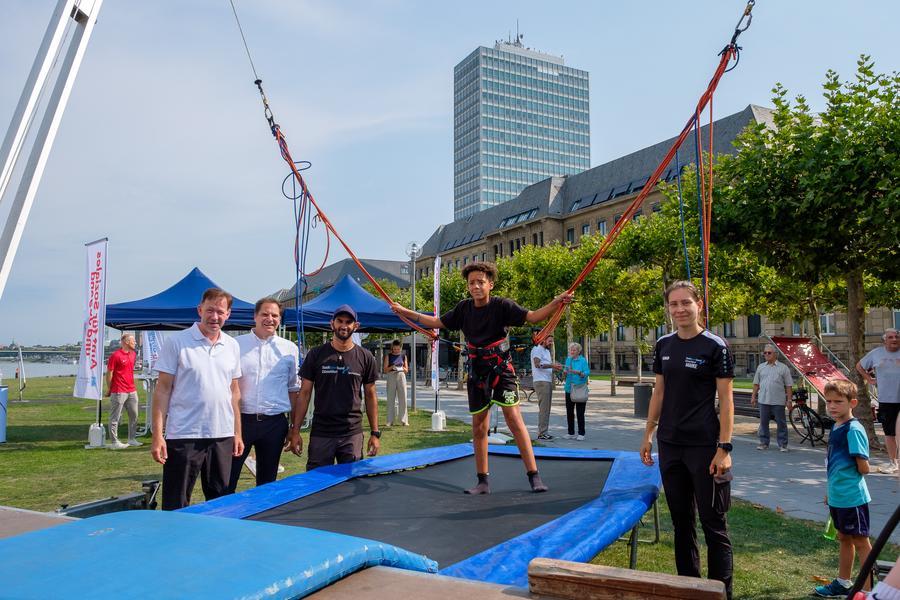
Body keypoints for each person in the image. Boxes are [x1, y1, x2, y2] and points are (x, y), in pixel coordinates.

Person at [391, 261, 573, 495]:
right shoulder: (463, 309)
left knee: (514, 420)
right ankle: (482, 481)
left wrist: (557, 301)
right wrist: (403, 311)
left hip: (501, 370)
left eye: (480, 282)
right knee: (479, 426)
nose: (475, 286)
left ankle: (534, 476)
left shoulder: (502, 306)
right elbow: (436, 322)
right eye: (471, 283)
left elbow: (533, 317)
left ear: (490, 284)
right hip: (477, 372)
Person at [640, 280, 735, 599]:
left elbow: (727, 400)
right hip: (670, 444)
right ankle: (689, 589)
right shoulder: (663, 345)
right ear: (668, 308)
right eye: (673, 304)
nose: (679, 309)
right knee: (681, 523)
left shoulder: (715, 346)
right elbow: (659, 392)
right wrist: (648, 434)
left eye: (685, 303)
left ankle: (721, 592)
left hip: (705, 447)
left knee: (713, 524)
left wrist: (724, 448)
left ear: (699, 305)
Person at [150, 288, 243, 510]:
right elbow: (162, 390)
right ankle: (174, 534)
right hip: (185, 434)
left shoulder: (232, 345)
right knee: (176, 503)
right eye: (210, 310)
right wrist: (157, 436)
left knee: (221, 502)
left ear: (228, 314)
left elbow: (234, 392)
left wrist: (237, 433)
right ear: (200, 310)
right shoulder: (177, 342)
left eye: (220, 312)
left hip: (222, 435)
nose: (215, 317)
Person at [286, 305, 380, 470]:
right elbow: (304, 394)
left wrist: (375, 433)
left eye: (348, 322)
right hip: (322, 432)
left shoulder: (365, 357)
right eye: (340, 321)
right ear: (332, 324)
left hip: (352, 432)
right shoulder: (316, 354)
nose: (344, 325)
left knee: (351, 481)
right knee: (317, 481)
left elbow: (371, 395)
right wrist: (295, 431)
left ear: (356, 326)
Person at [227, 297, 300, 493]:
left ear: (280, 319)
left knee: (267, 483)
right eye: (265, 314)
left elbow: (293, 389)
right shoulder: (235, 345)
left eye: (275, 315)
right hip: (240, 422)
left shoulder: (290, 349)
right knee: (228, 479)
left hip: (274, 424)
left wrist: (294, 428)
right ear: (255, 316)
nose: (270, 319)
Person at [814, 379, 872, 598]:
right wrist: (831, 491)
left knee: (861, 541)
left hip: (852, 497)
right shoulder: (836, 426)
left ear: (852, 403)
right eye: (828, 401)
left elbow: (863, 467)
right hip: (838, 496)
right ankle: (843, 582)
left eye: (838, 401)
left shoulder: (853, 429)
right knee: (844, 538)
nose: (832, 406)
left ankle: (867, 591)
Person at [856, 328, 900, 474]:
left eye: (897, 337)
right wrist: (869, 379)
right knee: (889, 433)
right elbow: (859, 366)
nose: (894, 339)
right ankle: (893, 463)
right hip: (886, 399)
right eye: (891, 337)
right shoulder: (876, 353)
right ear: (884, 340)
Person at [750, 343, 793, 452]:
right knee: (763, 422)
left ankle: (783, 444)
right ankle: (764, 443)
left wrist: (789, 400)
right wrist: (753, 396)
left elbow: (789, 385)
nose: (766, 354)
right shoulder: (761, 367)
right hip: (763, 400)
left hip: (778, 400)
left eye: (769, 352)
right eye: (765, 353)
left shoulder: (783, 368)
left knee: (781, 423)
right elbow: (756, 384)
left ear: (775, 354)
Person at [105, 332, 141, 449]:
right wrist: (109, 388)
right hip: (119, 390)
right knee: (115, 417)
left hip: (132, 390)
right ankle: (114, 442)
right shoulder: (115, 356)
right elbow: (109, 374)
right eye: (133, 341)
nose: (135, 342)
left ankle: (132, 439)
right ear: (126, 342)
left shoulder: (133, 354)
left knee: (134, 415)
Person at [531, 335, 562, 440]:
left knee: (546, 408)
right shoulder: (537, 349)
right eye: (549, 341)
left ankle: (544, 432)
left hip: (547, 381)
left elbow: (546, 366)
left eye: (552, 341)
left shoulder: (547, 351)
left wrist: (555, 367)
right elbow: (537, 364)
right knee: (544, 409)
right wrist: (552, 366)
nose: (551, 343)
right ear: (543, 340)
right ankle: (542, 433)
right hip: (541, 382)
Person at [563, 342, 590, 441]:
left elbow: (587, 372)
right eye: (571, 350)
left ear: (578, 351)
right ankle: (570, 433)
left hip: (579, 389)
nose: (572, 351)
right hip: (569, 389)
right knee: (569, 412)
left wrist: (579, 373)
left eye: (574, 350)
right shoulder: (568, 360)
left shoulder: (582, 360)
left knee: (580, 412)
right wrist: (564, 372)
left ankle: (581, 433)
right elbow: (565, 373)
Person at [383, 339, 409, 427]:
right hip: (391, 376)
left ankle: (403, 420)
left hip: (401, 376)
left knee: (403, 398)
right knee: (390, 398)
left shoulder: (403, 356)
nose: (396, 350)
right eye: (394, 349)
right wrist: (392, 366)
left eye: (398, 349)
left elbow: (406, 370)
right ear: (392, 348)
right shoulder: (388, 356)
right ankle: (390, 421)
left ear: (400, 348)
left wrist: (402, 367)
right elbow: (385, 370)